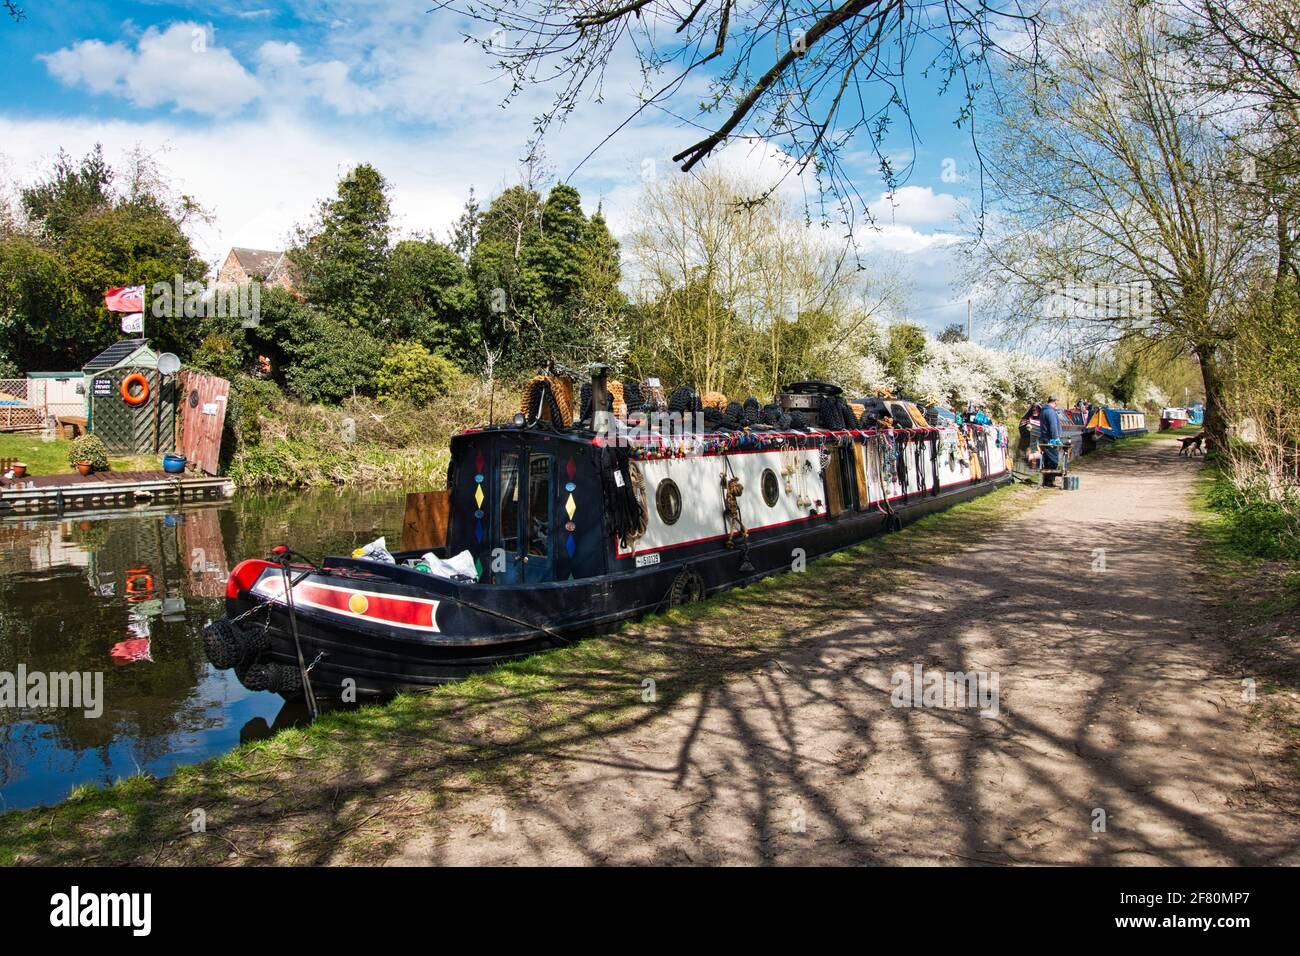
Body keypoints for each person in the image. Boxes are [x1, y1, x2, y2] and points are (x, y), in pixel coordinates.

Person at [1040, 394, 1062, 486]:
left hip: (1044, 439)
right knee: (1054, 460)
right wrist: (1055, 439)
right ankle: (1049, 481)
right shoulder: (1050, 412)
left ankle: (1046, 480)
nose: (1057, 403)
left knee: (1047, 460)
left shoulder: (1043, 411)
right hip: (1050, 440)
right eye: (1057, 401)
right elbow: (1053, 426)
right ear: (1055, 401)